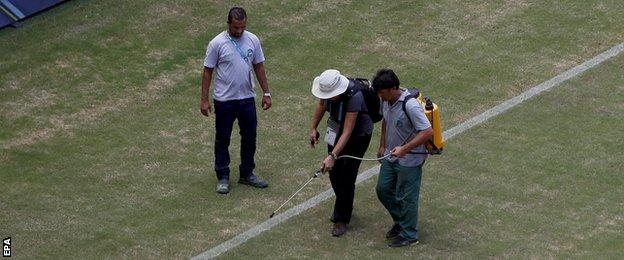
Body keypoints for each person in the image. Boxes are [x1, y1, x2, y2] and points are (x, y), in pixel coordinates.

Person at [200, 7, 272, 194]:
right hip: (224, 100)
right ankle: (223, 176)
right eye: (235, 28)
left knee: (250, 138)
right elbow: (208, 71)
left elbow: (259, 66)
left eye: (242, 27)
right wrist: (204, 100)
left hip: (247, 98)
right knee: (222, 138)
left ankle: (247, 173)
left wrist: (266, 93)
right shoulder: (217, 43)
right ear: (228, 24)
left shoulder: (253, 40)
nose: (239, 31)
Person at [373, 69, 433, 247]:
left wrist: (405, 149)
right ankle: (402, 222)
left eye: (382, 93)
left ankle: (409, 235)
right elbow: (386, 119)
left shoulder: (411, 105)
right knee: (383, 189)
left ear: (393, 88)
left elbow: (427, 131)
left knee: (408, 198)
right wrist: (382, 144)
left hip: (410, 160)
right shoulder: (386, 100)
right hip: (391, 154)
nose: (380, 96)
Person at [309, 69, 373, 237]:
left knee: (347, 175)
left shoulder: (355, 97)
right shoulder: (327, 92)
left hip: (358, 135)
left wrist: (333, 156)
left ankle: (342, 219)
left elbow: (348, 131)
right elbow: (321, 105)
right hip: (336, 128)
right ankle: (344, 204)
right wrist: (313, 128)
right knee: (334, 173)